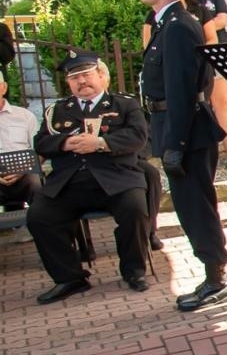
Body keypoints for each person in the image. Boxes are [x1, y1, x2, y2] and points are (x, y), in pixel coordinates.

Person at [136, 0, 227, 311]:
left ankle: (217, 278)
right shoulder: (167, 23)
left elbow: (181, 89)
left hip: (186, 131)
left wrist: (174, 142)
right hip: (177, 128)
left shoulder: (178, 27)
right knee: (191, 204)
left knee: (196, 207)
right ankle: (214, 273)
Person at [27, 51, 151, 302]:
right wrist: (66, 143)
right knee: (39, 216)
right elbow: (41, 143)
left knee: (134, 209)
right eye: (74, 78)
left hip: (116, 177)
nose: (81, 82)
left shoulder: (125, 104)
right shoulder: (58, 110)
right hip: (70, 181)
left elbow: (138, 137)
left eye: (86, 75)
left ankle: (133, 271)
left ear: (102, 76)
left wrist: (101, 143)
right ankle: (70, 278)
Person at [176, 0, 227, 169]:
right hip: (191, 59)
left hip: (217, 53)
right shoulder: (176, 1)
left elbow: (223, 18)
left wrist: (203, 25)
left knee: (222, 104)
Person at [0, 72, 42, 210]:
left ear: (4, 88)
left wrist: (23, 170)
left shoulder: (24, 116)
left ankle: (45, 226)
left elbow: (40, 150)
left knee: (35, 183)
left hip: (25, 174)